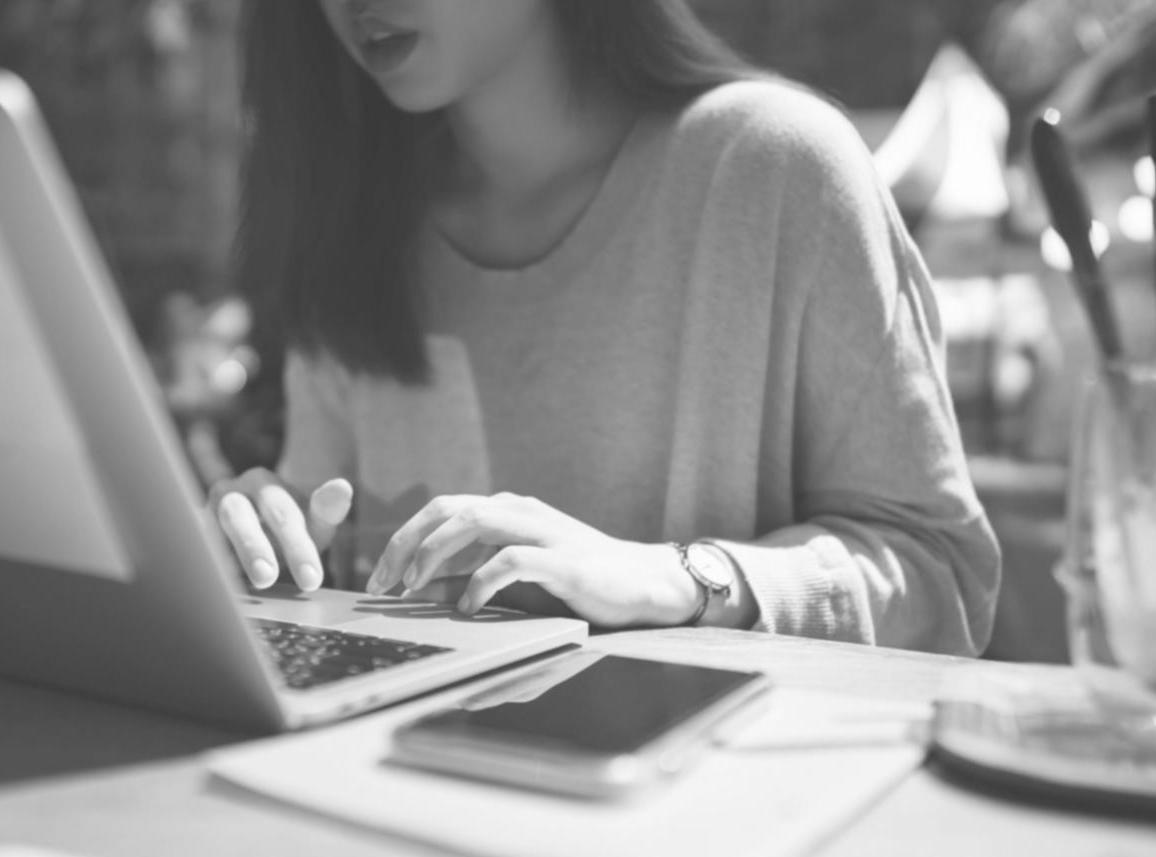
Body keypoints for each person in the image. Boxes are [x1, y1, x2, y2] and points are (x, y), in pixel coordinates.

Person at [210, 0, 1001, 656]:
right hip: (397, 792)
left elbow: (941, 580)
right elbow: (335, 558)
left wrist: (682, 579)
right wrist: (267, 554)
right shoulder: (349, 226)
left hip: (707, 819)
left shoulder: (774, 170)